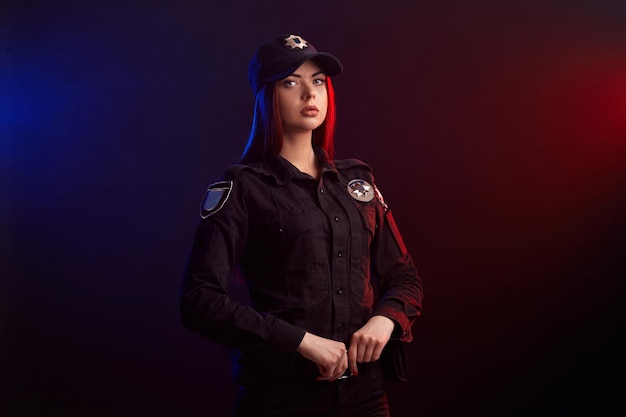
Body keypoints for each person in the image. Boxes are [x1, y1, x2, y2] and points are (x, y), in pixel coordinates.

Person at [180, 34, 423, 417]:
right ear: (266, 95)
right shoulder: (243, 189)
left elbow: (405, 278)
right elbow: (199, 300)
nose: (310, 93)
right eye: (291, 82)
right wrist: (300, 342)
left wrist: (385, 319)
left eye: (319, 81)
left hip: (366, 396)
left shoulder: (356, 182)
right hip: (282, 398)